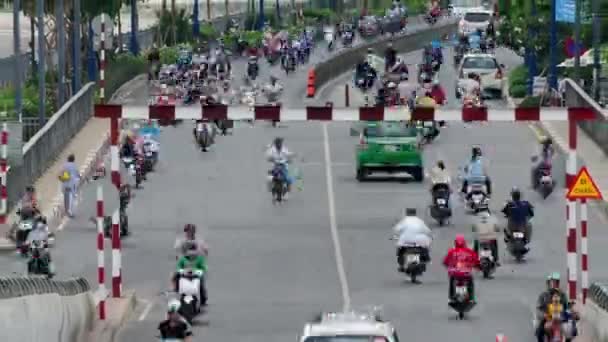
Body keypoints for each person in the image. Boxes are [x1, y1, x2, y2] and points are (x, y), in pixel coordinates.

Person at [393, 208, 432, 273]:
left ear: (407, 213)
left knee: (400, 251)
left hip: (406, 241)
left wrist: (396, 236)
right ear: (415, 214)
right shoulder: (420, 221)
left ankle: (401, 265)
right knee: (425, 250)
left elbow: (397, 229)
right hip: (420, 241)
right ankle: (426, 260)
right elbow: (427, 231)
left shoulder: (404, 221)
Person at [443, 234, 480, 302]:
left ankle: (451, 298)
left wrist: (448, 266)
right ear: (464, 243)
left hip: (455, 273)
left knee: (451, 281)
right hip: (466, 274)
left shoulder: (452, 251)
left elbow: (445, 262)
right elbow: (476, 261)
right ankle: (471, 298)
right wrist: (477, 266)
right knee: (471, 283)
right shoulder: (469, 251)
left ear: (455, 243)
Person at [535, 272, 571, 342]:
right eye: (553, 282)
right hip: (547, 318)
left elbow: (567, 307)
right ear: (548, 283)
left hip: (560, 318)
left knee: (569, 330)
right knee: (539, 331)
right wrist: (544, 315)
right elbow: (538, 309)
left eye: (556, 282)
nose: (554, 284)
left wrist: (570, 314)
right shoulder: (543, 295)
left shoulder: (562, 295)